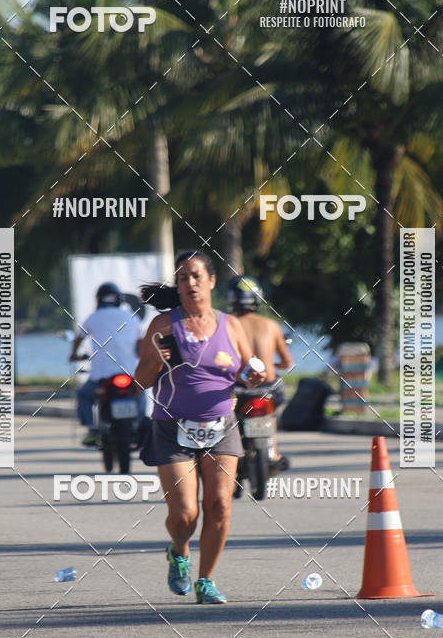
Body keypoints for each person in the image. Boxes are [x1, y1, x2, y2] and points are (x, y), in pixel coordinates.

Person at [134, 250, 266, 604]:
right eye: (182, 278)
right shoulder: (163, 326)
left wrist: (256, 376)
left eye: (195, 276)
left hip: (222, 425)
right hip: (172, 428)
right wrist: (157, 361)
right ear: (177, 287)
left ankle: (206, 580)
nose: (189, 283)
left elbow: (248, 373)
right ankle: (179, 551)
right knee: (184, 514)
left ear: (211, 281)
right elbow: (140, 381)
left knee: (220, 505)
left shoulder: (231, 325)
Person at [227, 274, 294, 466]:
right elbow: (287, 362)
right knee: (271, 414)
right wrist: (272, 365)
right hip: (268, 389)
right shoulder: (271, 325)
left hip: (239, 388)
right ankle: (273, 453)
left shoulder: (228, 325)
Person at [70, 282, 143, 445]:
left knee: (83, 395)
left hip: (100, 377)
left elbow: (78, 339)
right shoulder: (131, 316)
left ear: (98, 299)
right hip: (129, 374)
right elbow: (142, 342)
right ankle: (138, 424)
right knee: (140, 392)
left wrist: (74, 355)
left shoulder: (93, 317)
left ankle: (91, 430)